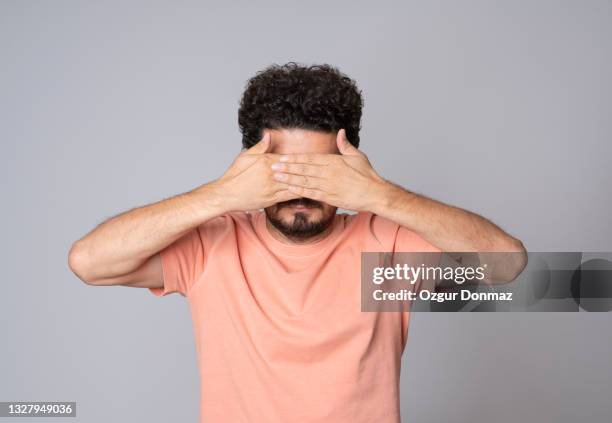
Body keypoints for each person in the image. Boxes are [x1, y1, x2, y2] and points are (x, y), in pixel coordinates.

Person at [68, 62, 526, 423]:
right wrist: (221, 195)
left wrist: (379, 195)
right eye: (285, 173)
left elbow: (506, 265)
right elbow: (89, 262)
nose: (302, 191)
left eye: (321, 173)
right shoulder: (214, 246)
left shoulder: (382, 249)